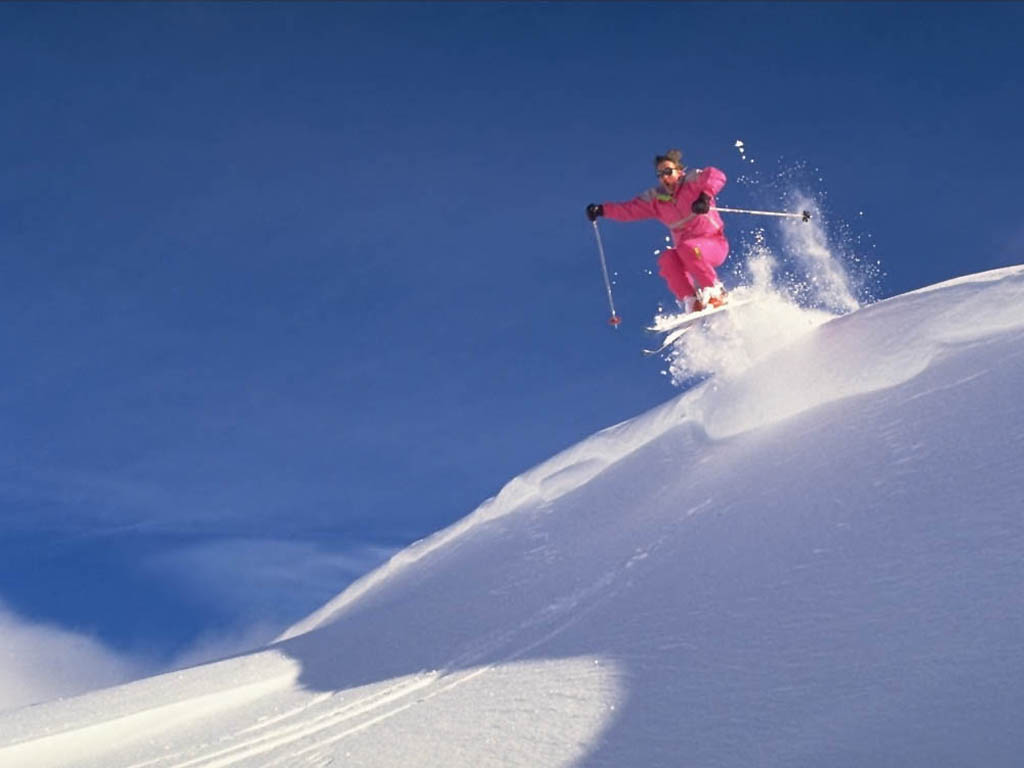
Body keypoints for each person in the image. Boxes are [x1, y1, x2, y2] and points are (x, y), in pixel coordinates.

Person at [587, 149, 729, 312]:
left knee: (688, 247)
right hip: (687, 253)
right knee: (667, 259)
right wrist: (602, 210)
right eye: (660, 174)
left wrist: (704, 197)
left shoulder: (692, 182)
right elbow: (629, 210)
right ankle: (691, 301)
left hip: (713, 244)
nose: (664, 177)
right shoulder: (657, 200)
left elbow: (716, 175)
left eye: (668, 171)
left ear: (679, 171)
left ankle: (716, 292)